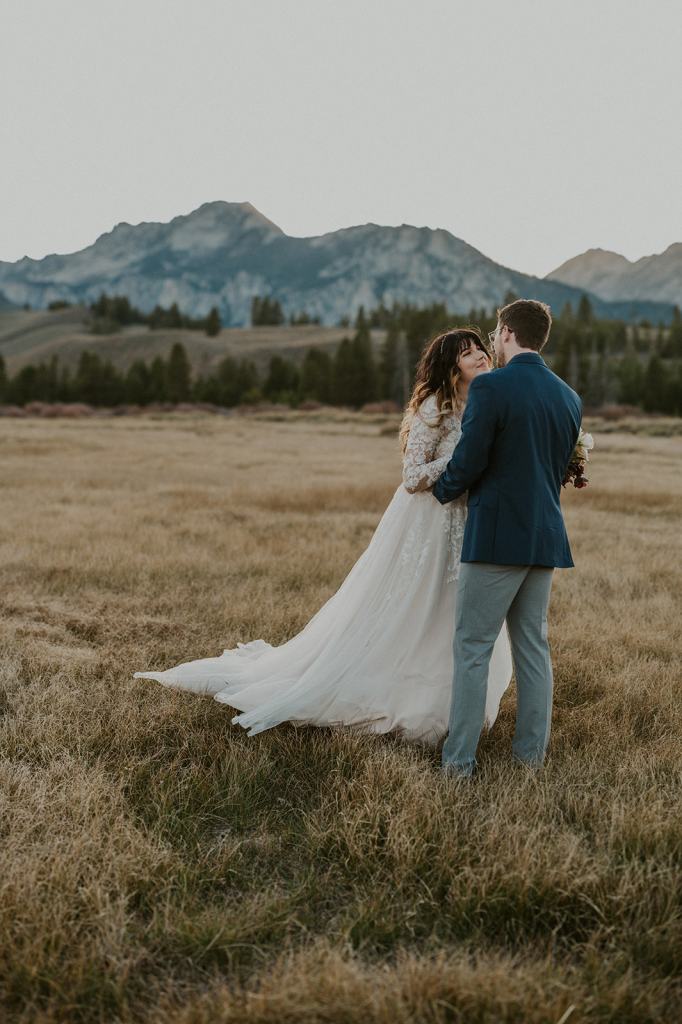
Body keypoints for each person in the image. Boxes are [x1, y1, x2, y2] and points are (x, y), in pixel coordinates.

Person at [133, 328, 512, 746]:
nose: (480, 355)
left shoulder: (483, 402)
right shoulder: (433, 407)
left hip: (466, 522)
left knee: (452, 610)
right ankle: (403, 695)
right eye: (467, 352)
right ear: (449, 366)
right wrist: (460, 461)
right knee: (418, 607)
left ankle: (455, 699)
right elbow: (412, 477)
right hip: (427, 526)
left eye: (480, 348)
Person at [433, 299, 582, 777]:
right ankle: (530, 761)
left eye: (495, 334)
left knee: (472, 648)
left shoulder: (491, 387)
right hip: (545, 537)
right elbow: (553, 468)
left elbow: (470, 459)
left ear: (507, 333)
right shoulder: (569, 396)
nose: (492, 342)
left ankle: (459, 763)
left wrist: (439, 489)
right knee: (534, 650)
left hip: (496, 537)